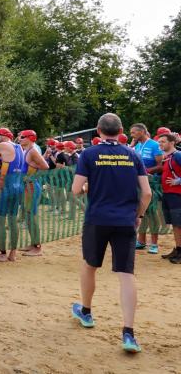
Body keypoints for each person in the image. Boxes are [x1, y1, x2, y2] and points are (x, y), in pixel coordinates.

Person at [71, 113, 152, 353]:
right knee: (126, 274)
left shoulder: (89, 154)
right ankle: (129, 333)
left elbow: (76, 189)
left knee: (90, 265)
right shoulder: (133, 154)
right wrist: (138, 215)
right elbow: (147, 193)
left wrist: (87, 187)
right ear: (121, 130)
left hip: (97, 219)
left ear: (98, 130)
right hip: (125, 221)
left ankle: (86, 312)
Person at [0, 128, 26, 262]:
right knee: (13, 219)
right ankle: (13, 253)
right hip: (18, 186)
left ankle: (2, 253)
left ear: (3, 136)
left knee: (0, 220)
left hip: (5, 187)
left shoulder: (1, 145)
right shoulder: (19, 147)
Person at [131, 123, 163, 254]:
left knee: (152, 212)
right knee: (141, 211)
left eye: (134, 132)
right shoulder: (137, 146)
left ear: (142, 132)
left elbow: (161, 166)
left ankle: (154, 243)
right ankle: (141, 241)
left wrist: (145, 172)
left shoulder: (154, 145)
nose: (132, 135)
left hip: (151, 183)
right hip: (138, 182)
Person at [18, 130, 50, 256]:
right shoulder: (27, 150)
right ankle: (33, 244)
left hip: (31, 186)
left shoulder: (33, 151)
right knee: (28, 216)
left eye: (22, 137)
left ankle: (37, 248)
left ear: (30, 138)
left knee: (32, 216)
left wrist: (32, 176)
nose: (19, 138)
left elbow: (45, 166)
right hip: (28, 186)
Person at [157, 132, 181, 263]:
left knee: (179, 224)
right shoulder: (167, 157)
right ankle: (178, 249)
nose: (160, 144)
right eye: (159, 142)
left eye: (163, 141)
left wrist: (178, 181)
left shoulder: (177, 155)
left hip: (177, 194)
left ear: (172, 143)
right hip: (168, 194)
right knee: (175, 225)